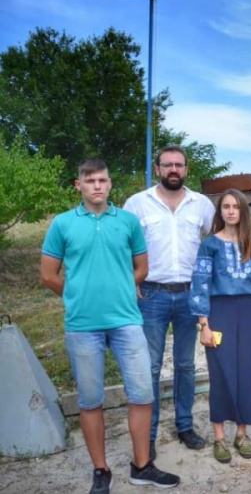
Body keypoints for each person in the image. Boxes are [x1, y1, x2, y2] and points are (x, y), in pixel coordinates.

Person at [40, 159, 180, 492]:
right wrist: (76, 295)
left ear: (110, 183)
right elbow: (48, 275)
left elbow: (142, 268)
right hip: (82, 325)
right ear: (79, 186)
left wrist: (120, 287)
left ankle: (142, 465)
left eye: (103, 180)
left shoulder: (128, 222)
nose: (97, 186)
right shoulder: (62, 224)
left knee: (143, 394)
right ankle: (101, 470)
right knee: (90, 400)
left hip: (127, 321)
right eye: (90, 181)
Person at [124, 145, 215, 459]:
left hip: (190, 294)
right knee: (149, 367)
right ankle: (146, 435)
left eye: (179, 165)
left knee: (186, 365)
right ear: (157, 167)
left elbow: (217, 241)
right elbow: (122, 246)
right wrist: (130, 281)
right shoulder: (137, 203)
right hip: (151, 294)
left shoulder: (201, 205)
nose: (173, 170)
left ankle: (185, 425)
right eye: (167, 165)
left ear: (186, 169)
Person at [189, 189, 251, 463]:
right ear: (220, 211)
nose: (231, 211)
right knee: (222, 373)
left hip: (248, 313)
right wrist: (204, 324)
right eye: (226, 206)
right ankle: (220, 437)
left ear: (243, 211)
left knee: (247, 373)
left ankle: (242, 433)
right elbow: (200, 283)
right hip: (219, 312)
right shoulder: (209, 245)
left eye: (236, 206)